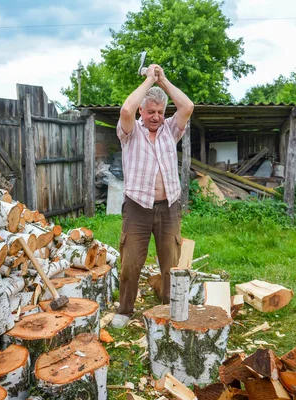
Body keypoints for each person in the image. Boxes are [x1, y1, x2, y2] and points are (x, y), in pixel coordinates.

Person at [112, 64, 194, 328]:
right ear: (141, 112)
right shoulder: (130, 132)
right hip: (137, 207)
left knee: (170, 260)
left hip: (169, 206)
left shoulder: (171, 130)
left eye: (160, 112)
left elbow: (187, 106)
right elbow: (125, 109)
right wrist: (149, 80)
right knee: (131, 262)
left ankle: (171, 307)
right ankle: (125, 310)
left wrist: (163, 80)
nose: (156, 117)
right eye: (150, 112)